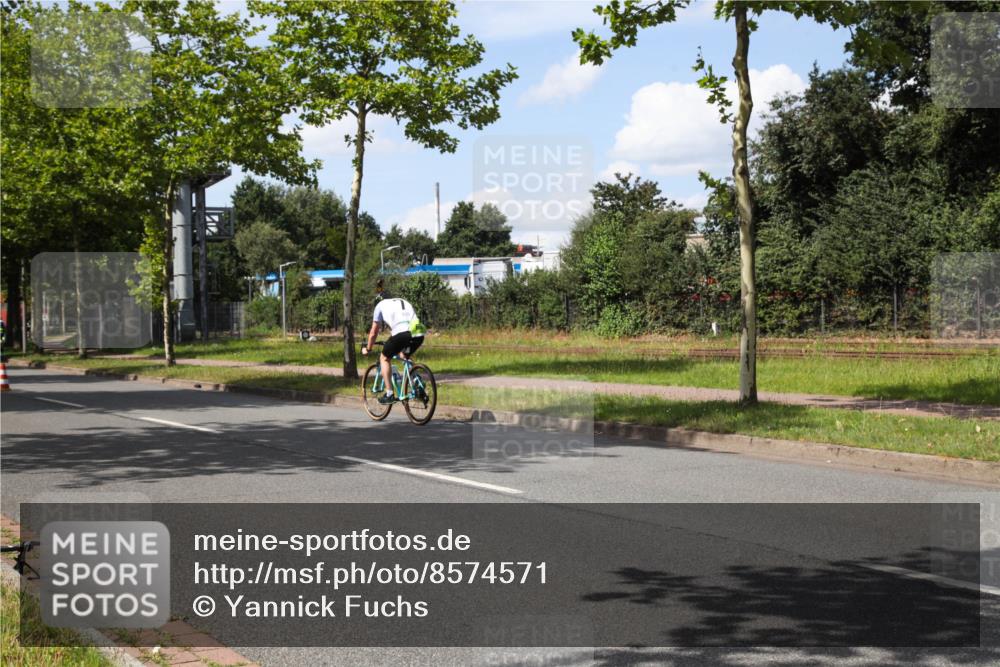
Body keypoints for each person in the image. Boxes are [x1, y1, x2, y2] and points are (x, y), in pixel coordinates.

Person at [361, 279, 424, 404]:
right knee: (404, 355)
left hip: (402, 333)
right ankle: (417, 382)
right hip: (419, 332)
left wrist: (368, 348)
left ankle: (389, 394)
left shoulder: (379, 305)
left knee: (384, 358)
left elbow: (374, 332)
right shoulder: (402, 301)